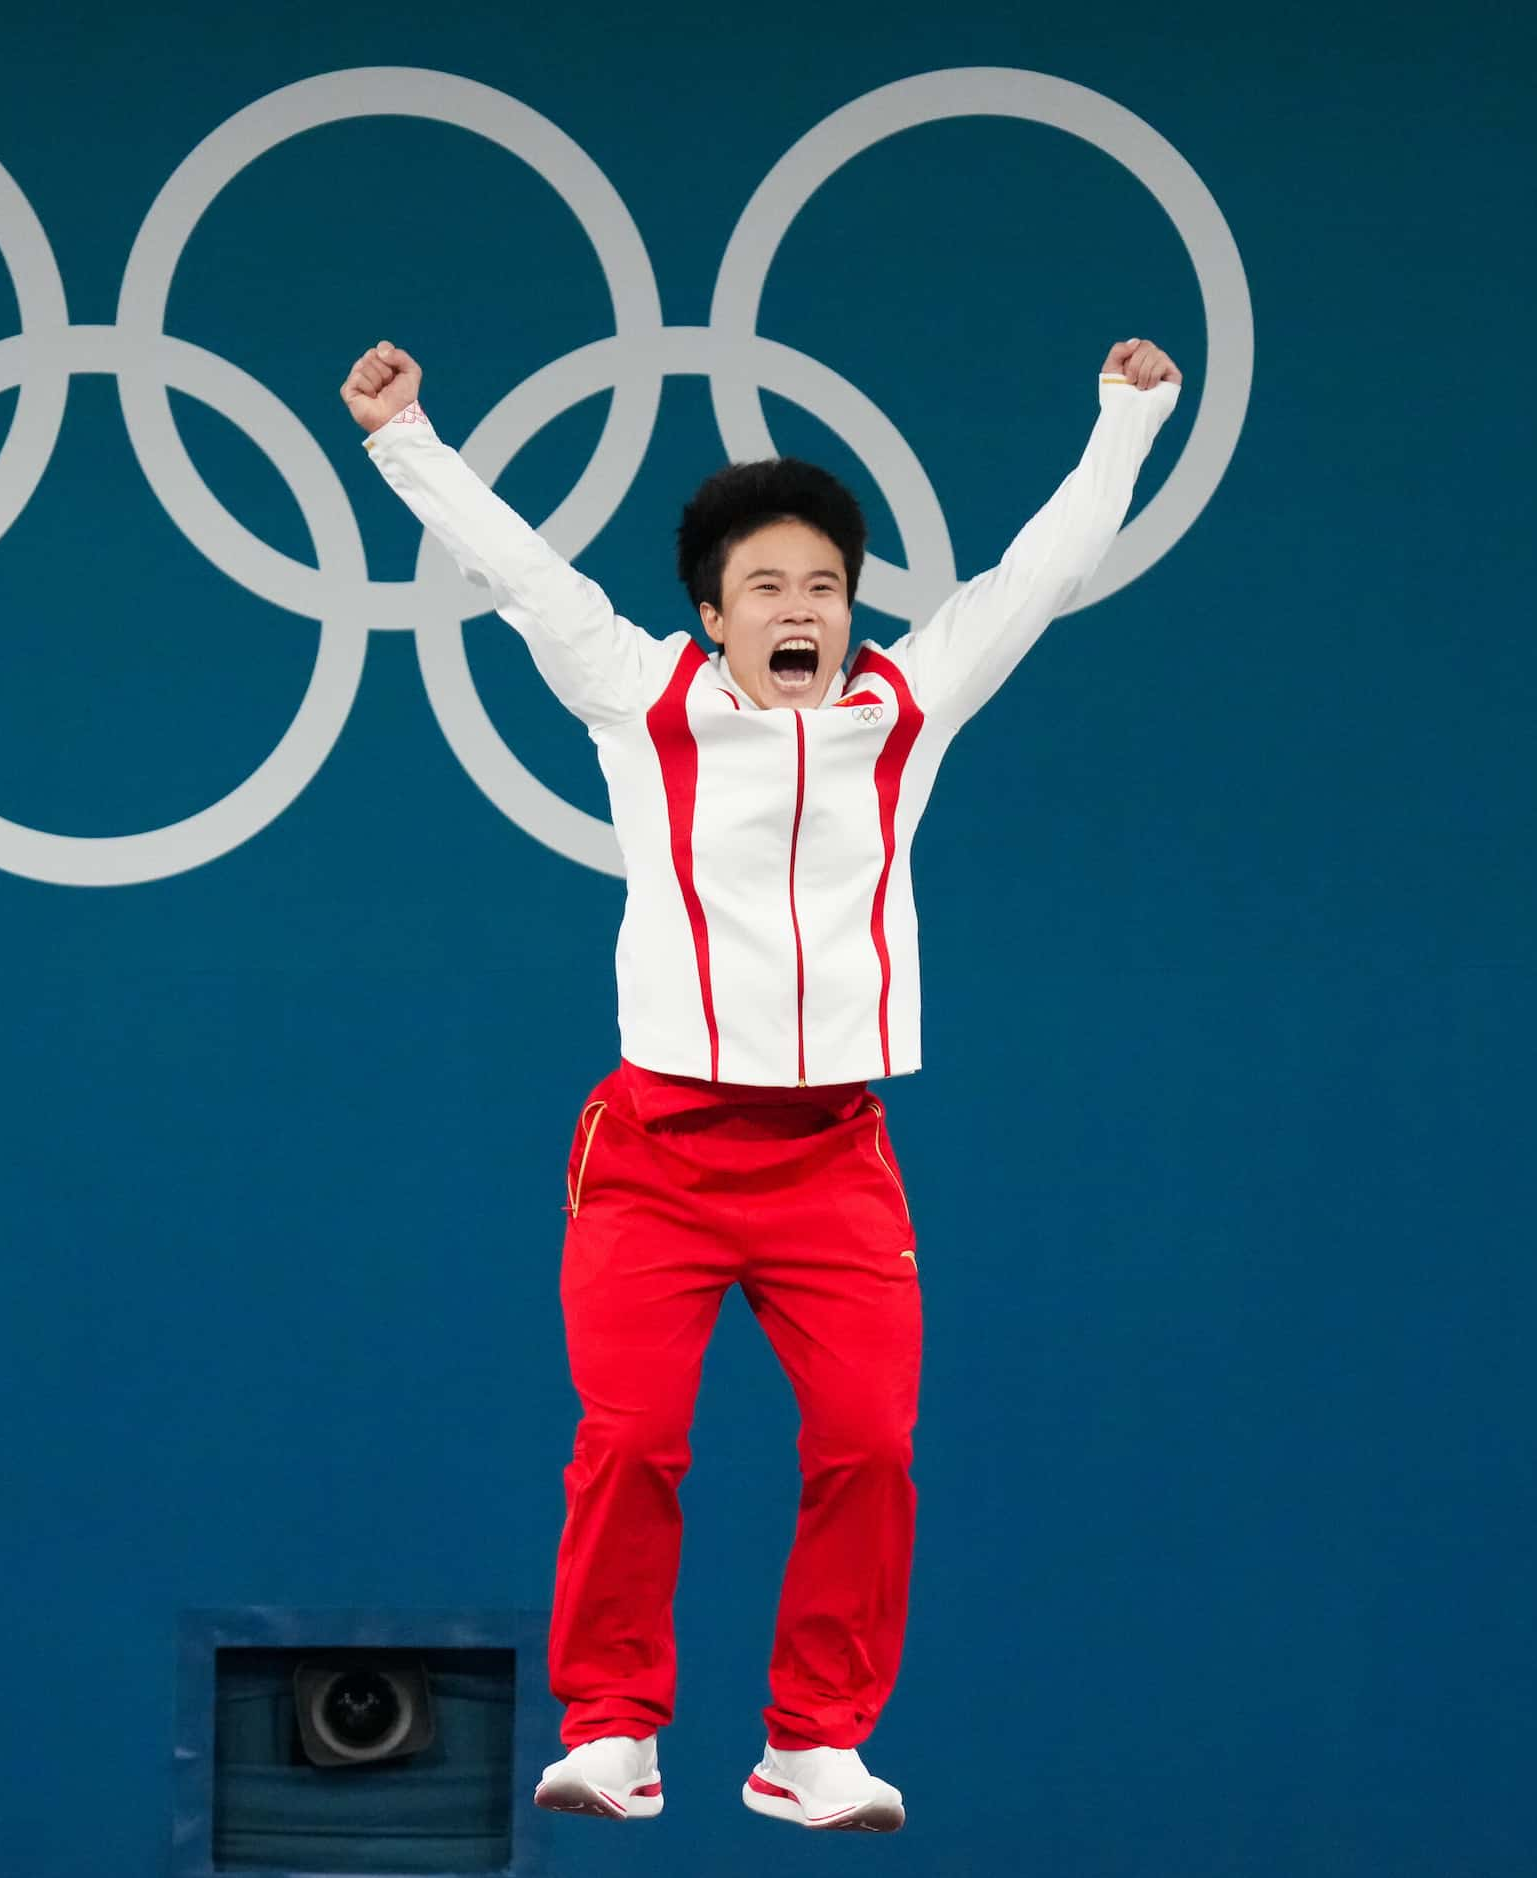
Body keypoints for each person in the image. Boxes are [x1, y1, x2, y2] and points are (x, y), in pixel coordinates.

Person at [343, 337, 1181, 1832]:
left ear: (853, 612)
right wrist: (404, 437)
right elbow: (523, 572)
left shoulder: (905, 712)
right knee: (631, 1442)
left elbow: (1037, 574)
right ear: (712, 614)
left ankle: (813, 1741)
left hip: (833, 1158)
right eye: (769, 590)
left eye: (825, 589)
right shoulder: (638, 700)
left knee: (868, 1442)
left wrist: (1124, 423)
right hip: (656, 1150)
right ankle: (612, 1725)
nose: (801, 612)